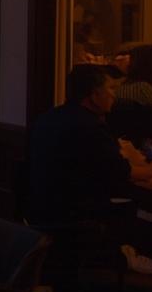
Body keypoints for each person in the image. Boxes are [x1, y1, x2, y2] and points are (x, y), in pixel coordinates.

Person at [26, 64, 129, 228]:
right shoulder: (90, 127)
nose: (114, 95)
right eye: (111, 88)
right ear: (94, 95)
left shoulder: (48, 117)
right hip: (77, 219)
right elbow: (120, 172)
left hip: (40, 212)